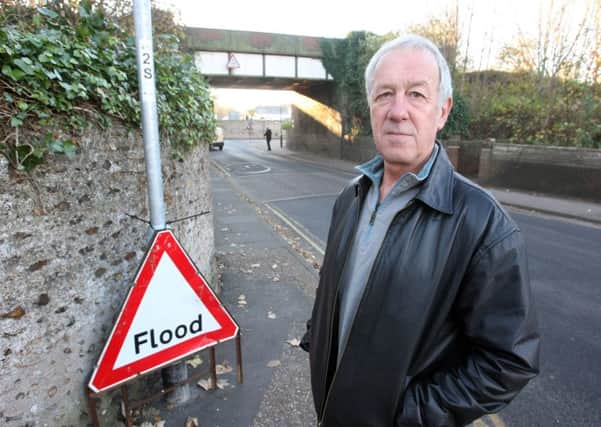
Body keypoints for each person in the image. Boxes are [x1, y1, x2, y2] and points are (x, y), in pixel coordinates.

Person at [300, 34, 540, 427]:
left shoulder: (484, 224)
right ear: (371, 108)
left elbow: (509, 360)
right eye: (385, 94)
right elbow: (333, 286)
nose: (398, 110)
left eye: (416, 94)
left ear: (442, 111)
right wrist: (317, 342)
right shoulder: (351, 197)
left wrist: (411, 415)